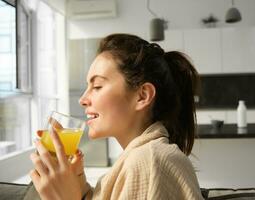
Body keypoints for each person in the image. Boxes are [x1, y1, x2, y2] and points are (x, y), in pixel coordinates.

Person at [28, 33, 204, 200]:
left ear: (142, 96)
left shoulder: (148, 161)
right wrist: (79, 187)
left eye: (97, 86)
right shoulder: (141, 157)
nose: (82, 100)